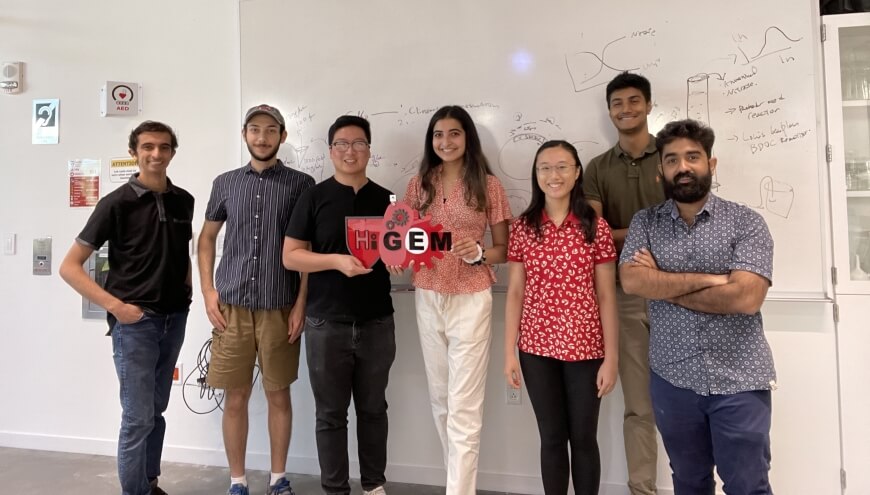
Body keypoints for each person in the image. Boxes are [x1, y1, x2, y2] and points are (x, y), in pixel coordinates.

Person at [620, 119, 776, 494]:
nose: (682, 167)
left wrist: (664, 286)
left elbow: (746, 297)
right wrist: (713, 280)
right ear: (661, 171)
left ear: (711, 163)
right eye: (672, 160)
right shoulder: (645, 223)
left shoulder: (746, 223)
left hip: (739, 380)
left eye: (693, 157)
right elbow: (632, 281)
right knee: (689, 483)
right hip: (673, 380)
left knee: (748, 485)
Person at [59, 121, 194, 495]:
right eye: (147, 147)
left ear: (172, 152)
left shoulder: (184, 200)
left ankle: (150, 484)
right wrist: (117, 307)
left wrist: (188, 294)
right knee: (137, 419)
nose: (156, 154)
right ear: (134, 151)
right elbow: (69, 266)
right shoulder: (115, 204)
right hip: (136, 325)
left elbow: (182, 253)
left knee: (156, 412)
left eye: (164, 147)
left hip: (174, 319)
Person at [198, 104, 314, 495]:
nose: (261, 137)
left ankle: (278, 478)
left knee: (278, 394)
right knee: (235, 396)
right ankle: (237, 480)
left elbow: (307, 249)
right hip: (231, 307)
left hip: (280, 306)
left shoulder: (301, 184)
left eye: (270, 130)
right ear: (244, 134)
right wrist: (208, 291)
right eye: (254, 129)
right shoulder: (226, 182)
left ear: (282, 136)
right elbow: (207, 238)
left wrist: (301, 303)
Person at [283, 115, 397, 495]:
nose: (351, 151)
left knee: (373, 410)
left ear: (369, 150)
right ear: (331, 151)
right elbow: (291, 257)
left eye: (359, 143)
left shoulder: (388, 200)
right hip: (326, 323)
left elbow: (401, 252)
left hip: (377, 322)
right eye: (342, 144)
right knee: (330, 415)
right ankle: (335, 489)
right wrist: (335, 261)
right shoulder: (313, 197)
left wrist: (401, 257)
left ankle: (374, 485)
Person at [402, 105, 512, 495]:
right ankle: (458, 485)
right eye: (438, 134)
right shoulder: (420, 184)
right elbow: (406, 239)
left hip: (471, 296)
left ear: (467, 138)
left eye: (454, 133)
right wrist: (396, 251)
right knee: (441, 401)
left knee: (464, 407)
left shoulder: (489, 185)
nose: (445, 142)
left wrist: (479, 252)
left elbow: (504, 248)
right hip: (428, 294)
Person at [504, 140, 619, 495]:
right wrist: (510, 352)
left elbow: (606, 295)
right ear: (536, 174)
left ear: (577, 172)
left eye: (562, 166)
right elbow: (515, 293)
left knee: (584, 438)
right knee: (551, 438)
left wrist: (611, 358)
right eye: (545, 168)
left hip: (586, 348)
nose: (553, 175)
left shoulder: (594, 227)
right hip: (536, 348)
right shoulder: (523, 227)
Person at [582, 71, 663, 495]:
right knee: (639, 407)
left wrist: (626, 231)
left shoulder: (673, 156)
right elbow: (594, 233)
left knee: (695, 400)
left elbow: (688, 219)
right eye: (617, 103)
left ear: (649, 105)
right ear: (609, 111)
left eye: (634, 101)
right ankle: (642, 489)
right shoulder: (597, 168)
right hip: (627, 296)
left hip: (681, 294)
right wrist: (653, 228)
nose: (626, 109)